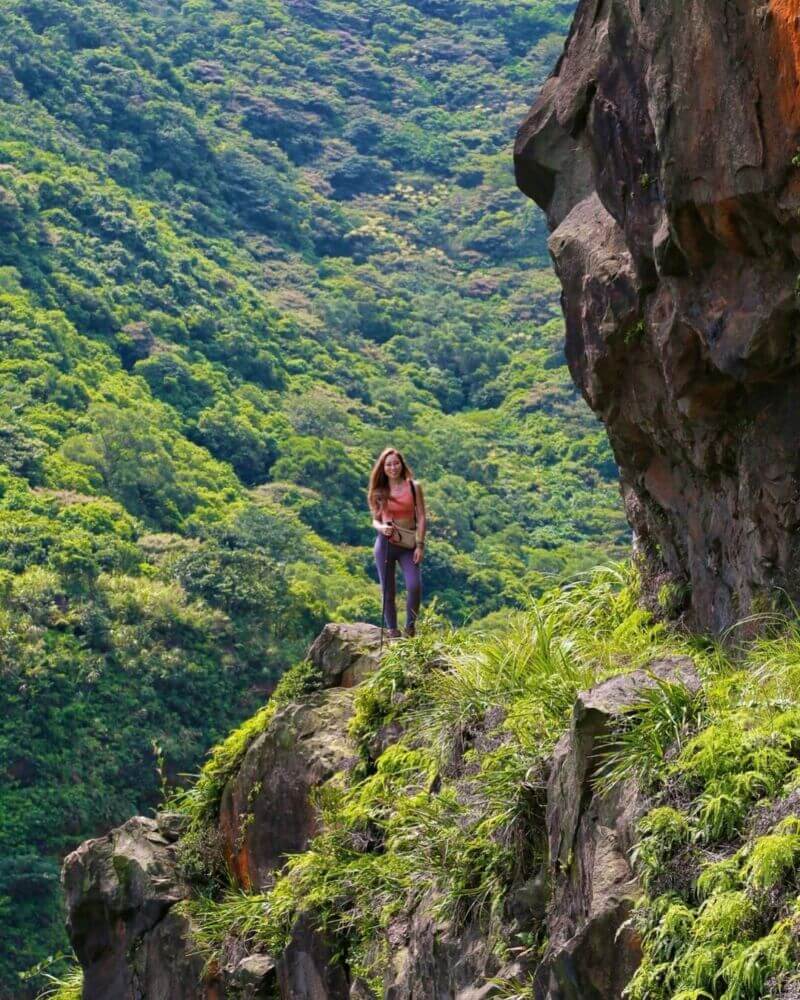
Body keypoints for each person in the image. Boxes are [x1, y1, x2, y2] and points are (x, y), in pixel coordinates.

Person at [368, 447, 427, 639]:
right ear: (383, 468)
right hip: (385, 544)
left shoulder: (413, 486)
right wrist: (381, 528)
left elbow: (421, 516)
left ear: (401, 464)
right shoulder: (379, 491)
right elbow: (375, 520)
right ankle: (392, 631)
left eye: (396, 463)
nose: (393, 467)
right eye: (388, 464)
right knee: (388, 590)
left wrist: (420, 545)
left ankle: (410, 628)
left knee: (414, 585)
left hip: (408, 544)